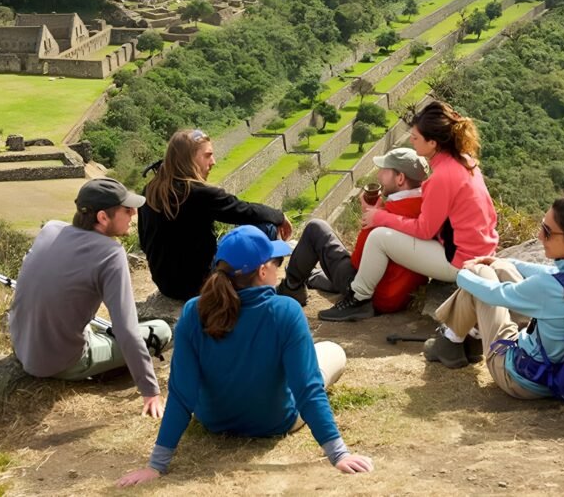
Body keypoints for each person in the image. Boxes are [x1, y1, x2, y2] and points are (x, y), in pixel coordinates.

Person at [117, 226, 373, 486]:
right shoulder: (286, 310)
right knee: (332, 352)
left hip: (213, 420)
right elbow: (307, 389)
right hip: (275, 421)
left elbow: (182, 393)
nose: (278, 268)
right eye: (276, 262)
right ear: (263, 271)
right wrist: (338, 453)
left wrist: (156, 465)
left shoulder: (194, 310)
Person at [426, 195, 564, 400]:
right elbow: (554, 277)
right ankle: (463, 339)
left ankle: (451, 340)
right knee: (500, 267)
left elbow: (494, 294)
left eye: (547, 231)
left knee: (480, 273)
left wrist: (462, 273)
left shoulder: (548, 288)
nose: (539, 236)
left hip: (521, 380)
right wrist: (504, 261)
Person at [319, 100, 498, 322]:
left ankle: (358, 298)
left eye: (415, 138)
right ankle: (358, 294)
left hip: (460, 262)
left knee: (378, 237)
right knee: (386, 233)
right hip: (482, 251)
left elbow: (424, 230)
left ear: (432, 142)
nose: (412, 142)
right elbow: (490, 213)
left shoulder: (441, 177)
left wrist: (381, 217)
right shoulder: (466, 162)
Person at [9, 178, 172, 417]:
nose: (134, 213)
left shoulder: (51, 228)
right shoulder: (110, 253)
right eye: (126, 209)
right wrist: (150, 391)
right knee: (162, 330)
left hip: (22, 347)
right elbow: (126, 330)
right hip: (62, 362)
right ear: (103, 218)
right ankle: (103, 369)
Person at [138, 129, 293, 301]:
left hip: (167, 285)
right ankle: (254, 289)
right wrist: (279, 216)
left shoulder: (150, 189)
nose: (213, 162)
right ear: (188, 158)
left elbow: (144, 243)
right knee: (266, 227)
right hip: (199, 285)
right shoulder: (199, 194)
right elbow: (244, 211)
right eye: (207, 155)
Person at [277, 147, 429, 318]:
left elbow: (358, 262)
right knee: (332, 261)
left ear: (400, 178)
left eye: (384, 171)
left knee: (316, 228)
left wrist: (369, 218)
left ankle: (291, 288)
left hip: (374, 295)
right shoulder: (429, 209)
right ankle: (314, 277)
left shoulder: (388, 215)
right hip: (401, 292)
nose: (379, 175)